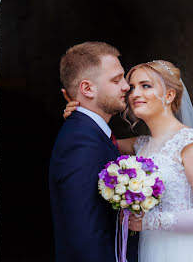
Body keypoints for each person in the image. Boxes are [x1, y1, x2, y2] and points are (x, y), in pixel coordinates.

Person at [63, 59, 193, 262]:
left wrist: (150, 221)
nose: (135, 93)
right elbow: (97, 141)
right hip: (151, 250)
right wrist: (81, 116)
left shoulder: (190, 144)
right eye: (133, 87)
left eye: (146, 86)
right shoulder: (141, 145)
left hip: (188, 251)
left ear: (170, 95)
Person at [49, 42, 138, 262]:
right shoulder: (80, 142)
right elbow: (85, 233)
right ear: (87, 89)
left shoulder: (91, 133)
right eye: (116, 80)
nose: (127, 86)